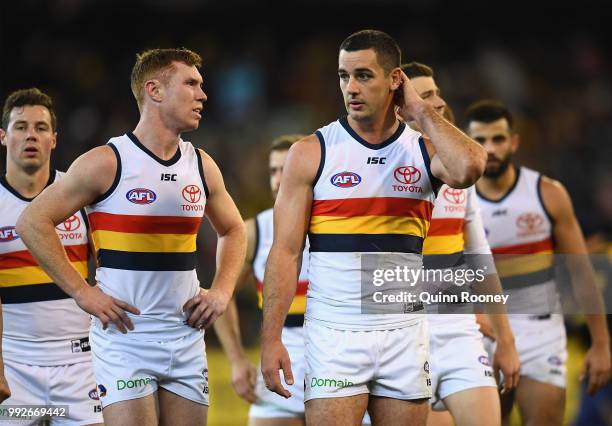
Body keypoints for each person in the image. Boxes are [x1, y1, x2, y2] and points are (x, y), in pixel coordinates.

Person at [261, 29, 486, 426]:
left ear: (394, 79)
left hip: (405, 330)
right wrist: (271, 338)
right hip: (335, 332)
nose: (351, 87)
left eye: (363, 75)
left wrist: (419, 110)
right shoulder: (312, 152)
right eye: (343, 76)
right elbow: (285, 251)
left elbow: (469, 167)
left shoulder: (422, 149)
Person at [16, 49, 247, 426]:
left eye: (201, 86)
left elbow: (234, 230)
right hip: (126, 340)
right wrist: (82, 292)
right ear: (154, 90)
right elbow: (32, 222)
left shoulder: (202, 165)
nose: (203, 95)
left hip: (185, 337)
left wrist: (221, 291)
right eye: (190, 84)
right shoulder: (107, 162)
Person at [468, 99, 611, 425]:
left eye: (499, 139)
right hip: (483, 332)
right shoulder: (456, 198)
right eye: (481, 140)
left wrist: (601, 344)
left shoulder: (547, 194)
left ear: (513, 142)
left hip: (540, 330)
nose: (490, 148)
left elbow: (582, 271)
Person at [401, 63, 520, 426]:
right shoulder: (373, 168)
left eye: (436, 92)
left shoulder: (459, 174)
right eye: (425, 95)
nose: (438, 100)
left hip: (457, 330)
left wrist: (505, 340)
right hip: (398, 334)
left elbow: (480, 260)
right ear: (399, 107)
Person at [0, 88, 102, 424]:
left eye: (41, 128)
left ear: (54, 139)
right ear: (3, 136)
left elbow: (105, 273)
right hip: (14, 362)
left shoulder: (80, 197)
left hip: (81, 362)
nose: (31, 135)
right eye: (21, 127)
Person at [214, 134, 310, 426]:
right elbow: (220, 294)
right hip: (279, 371)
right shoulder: (253, 232)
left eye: (287, 169)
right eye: (273, 171)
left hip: (341, 365)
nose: (279, 179)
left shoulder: (338, 227)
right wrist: (236, 359)